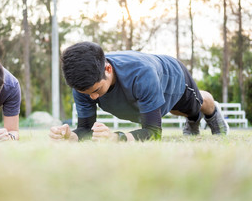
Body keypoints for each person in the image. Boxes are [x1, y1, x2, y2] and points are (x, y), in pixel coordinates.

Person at [49, 41, 229, 142]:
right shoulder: (83, 85)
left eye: (96, 90)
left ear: (108, 69)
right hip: (141, 93)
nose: (92, 97)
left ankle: (203, 116)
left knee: (193, 107)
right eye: (86, 93)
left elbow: (153, 132)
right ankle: (192, 119)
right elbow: (85, 129)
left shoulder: (141, 74)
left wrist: (117, 138)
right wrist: (70, 136)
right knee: (171, 111)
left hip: (172, 78)